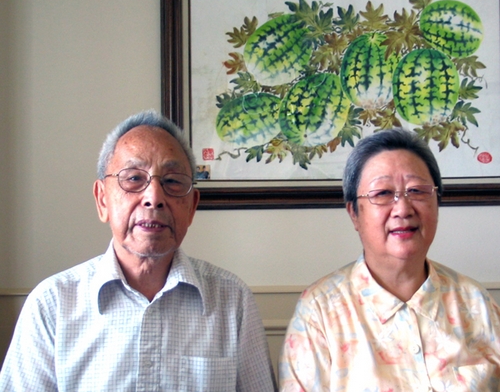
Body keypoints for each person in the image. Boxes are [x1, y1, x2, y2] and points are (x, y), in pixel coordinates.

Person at [0, 110, 277, 391]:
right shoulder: (51, 304)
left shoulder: (233, 301)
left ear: (192, 206)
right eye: (133, 178)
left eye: (172, 181)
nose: (154, 198)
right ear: (102, 200)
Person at [279, 128, 500, 391]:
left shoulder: (476, 303)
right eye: (382, 193)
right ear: (354, 214)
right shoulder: (319, 312)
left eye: (416, 190)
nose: (403, 209)